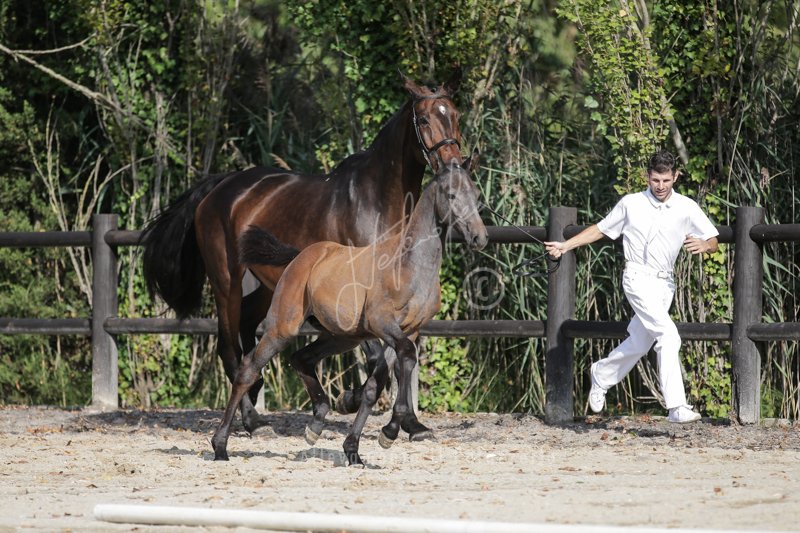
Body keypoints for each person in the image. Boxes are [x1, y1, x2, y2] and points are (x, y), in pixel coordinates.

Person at [544, 150, 719, 423]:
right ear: (647, 176)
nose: (660, 186)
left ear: (675, 177)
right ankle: (676, 407)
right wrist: (566, 245)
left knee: (639, 343)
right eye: (655, 180)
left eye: (666, 180)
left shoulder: (687, 207)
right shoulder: (631, 203)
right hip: (637, 278)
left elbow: (713, 240)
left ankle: (601, 374)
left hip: (665, 284)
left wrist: (704, 245)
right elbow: (600, 229)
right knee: (669, 336)